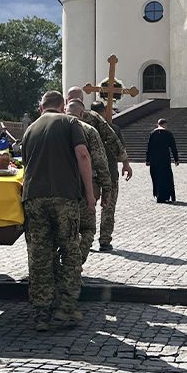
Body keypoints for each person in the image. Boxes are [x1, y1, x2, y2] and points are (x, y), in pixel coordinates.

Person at [20, 91, 96, 331]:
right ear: (63, 106)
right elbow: (82, 154)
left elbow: (26, 165)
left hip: (33, 198)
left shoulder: (30, 129)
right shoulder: (71, 122)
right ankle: (65, 307)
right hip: (64, 196)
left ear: (41, 108)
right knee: (70, 250)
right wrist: (90, 193)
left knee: (40, 254)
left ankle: (42, 312)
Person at [65, 87, 132, 252]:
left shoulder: (61, 120)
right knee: (107, 206)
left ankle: (81, 240)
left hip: (77, 174)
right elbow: (112, 139)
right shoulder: (93, 119)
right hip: (103, 170)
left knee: (81, 207)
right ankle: (104, 240)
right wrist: (125, 161)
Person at [66, 100, 111, 264]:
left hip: (59, 188)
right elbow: (100, 162)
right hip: (85, 188)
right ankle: (74, 265)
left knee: (63, 230)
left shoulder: (56, 128)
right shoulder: (88, 130)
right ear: (82, 114)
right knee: (87, 228)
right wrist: (107, 190)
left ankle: (63, 263)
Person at [146, 118, 179, 203]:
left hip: (154, 160)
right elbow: (173, 147)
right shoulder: (168, 134)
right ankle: (166, 196)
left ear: (158, 124)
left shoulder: (152, 134)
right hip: (165, 159)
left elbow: (149, 148)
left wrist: (147, 160)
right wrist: (176, 159)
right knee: (166, 177)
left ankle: (158, 195)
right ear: (165, 125)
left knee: (156, 177)